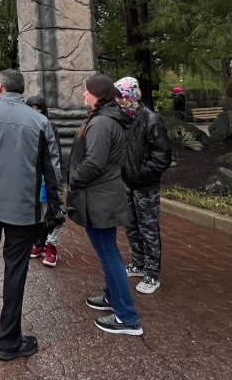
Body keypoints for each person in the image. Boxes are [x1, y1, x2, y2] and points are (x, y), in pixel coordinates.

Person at [0, 69, 64, 360]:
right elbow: (53, 171)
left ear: (0, 87)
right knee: (16, 271)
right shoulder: (40, 122)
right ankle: (8, 342)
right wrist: (55, 209)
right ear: (21, 90)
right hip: (24, 210)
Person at [68, 74, 143, 336]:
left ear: (98, 94)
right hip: (104, 197)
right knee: (108, 252)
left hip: (98, 199)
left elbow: (94, 163)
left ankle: (127, 318)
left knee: (109, 254)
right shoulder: (107, 119)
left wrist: (73, 182)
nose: (83, 95)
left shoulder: (101, 123)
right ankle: (112, 298)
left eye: (86, 90)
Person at [115, 77, 172, 295]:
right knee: (130, 225)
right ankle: (137, 263)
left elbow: (162, 157)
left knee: (149, 228)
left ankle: (152, 273)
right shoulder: (123, 119)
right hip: (127, 183)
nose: (118, 100)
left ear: (131, 95)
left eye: (120, 95)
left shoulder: (151, 120)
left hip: (145, 186)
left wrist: (141, 174)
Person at [25, 95, 63, 267]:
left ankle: (51, 245)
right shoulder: (24, 127)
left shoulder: (50, 128)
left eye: (38, 108)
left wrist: (55, 179)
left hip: (46, 178)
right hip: (31, 177)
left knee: (50, 211)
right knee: (37, 213)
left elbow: (56, 155)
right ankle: (39, 243)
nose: (36, 112)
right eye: (32, 108)